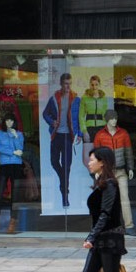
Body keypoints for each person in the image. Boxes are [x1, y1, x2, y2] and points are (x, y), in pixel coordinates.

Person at [42, 73, 82, 207]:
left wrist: (80, 134)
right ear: (61, 84)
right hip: (56, 135)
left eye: (70, 83)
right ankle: (62, 179)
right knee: (54, 162)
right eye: (66, 83)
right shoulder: (54, 98)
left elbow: (80, 117)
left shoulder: (76, 99)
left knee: (67, 166)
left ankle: (65, 196)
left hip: (67, 136)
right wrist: (52, 122)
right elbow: (45, 113)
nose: (68, 86)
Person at [93, 110, 135, 234]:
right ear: (107, 120)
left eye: (115, 118)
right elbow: (96, 154)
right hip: (106, 172)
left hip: (121, 171)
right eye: (111, 118)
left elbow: (128, 152)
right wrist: (97, 170)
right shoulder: (100, 135)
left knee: (124, 198)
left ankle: (129, 226)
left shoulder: (123, 133)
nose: (114, 120)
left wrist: (130, 167)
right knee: (107, 200)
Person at [0, 114, 24, 234]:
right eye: (7, 120)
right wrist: (12, 152)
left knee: (15, 195)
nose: (9, 123)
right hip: (4, 164)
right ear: (4, 122)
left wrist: (15, 137)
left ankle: (13, 222)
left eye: (11, 120)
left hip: (16, 165)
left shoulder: (19, 134)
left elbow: (21, 149)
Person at [79, 75, 108, 149]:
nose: (94, 87)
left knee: (101, 154)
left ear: (99, 85)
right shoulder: (85, 98)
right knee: (89, 154)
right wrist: (84, 131)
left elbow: (105, 115)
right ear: (89, 85)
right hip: (89, 129)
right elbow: (81, 116)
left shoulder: (103, 98)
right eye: (92, 85)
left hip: (101, 128)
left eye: (96, 84)